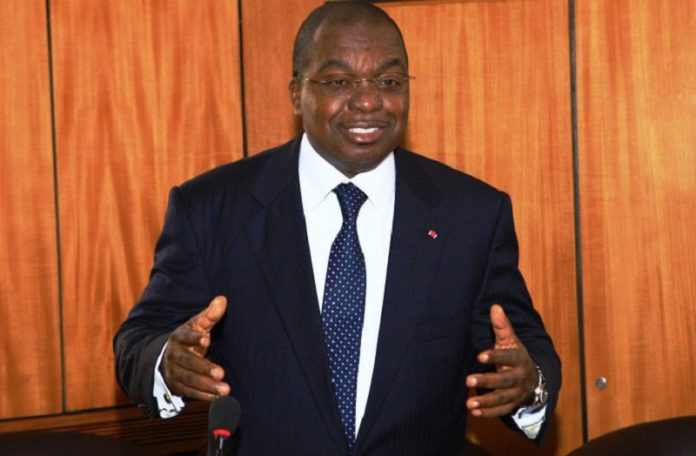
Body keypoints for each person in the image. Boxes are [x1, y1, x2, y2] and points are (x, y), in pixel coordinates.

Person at [114, 2, 561, 454]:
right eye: (338, 82)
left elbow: (525, 352)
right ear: (296, 93)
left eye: (388, 82)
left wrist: (528, 385)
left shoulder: (471, 215)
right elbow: (138, 341)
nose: (368, 101)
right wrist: (166, 363)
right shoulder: (212, 209)